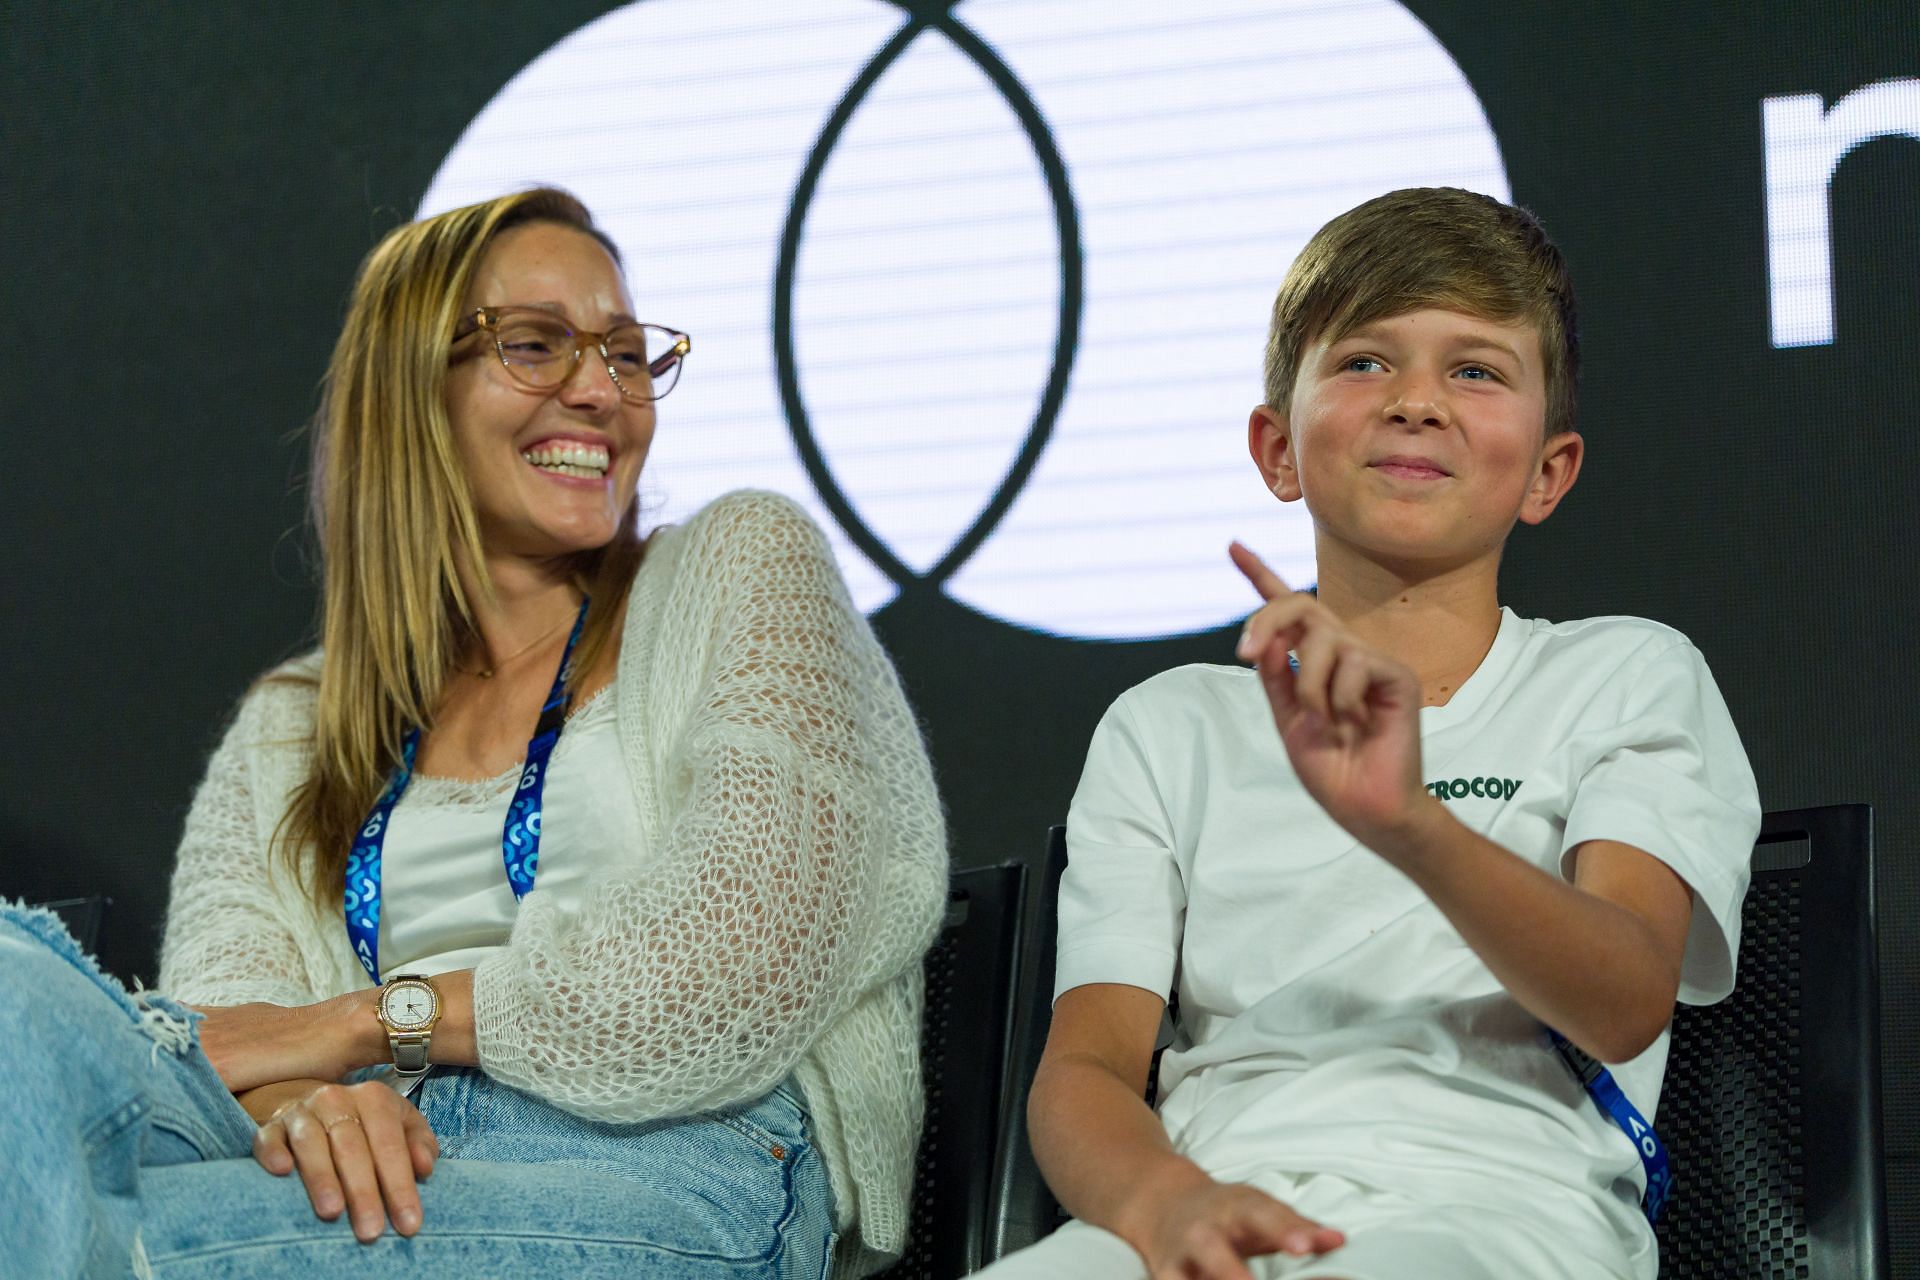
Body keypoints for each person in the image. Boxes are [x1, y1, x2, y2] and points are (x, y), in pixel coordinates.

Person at [0, 187, 948, 1280]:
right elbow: (232, 1028)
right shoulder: (289, 723)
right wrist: (318, 1105)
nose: (599, 391)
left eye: (628, 353)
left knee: (103, 1248)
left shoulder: (744, 565)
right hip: (358, 1163)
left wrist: (367, 1027)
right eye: (537, 345)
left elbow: (724, 967)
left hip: (661, 1155)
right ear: (414, 393)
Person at [978, 187, 1760, 1280]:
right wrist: (1165, 1205)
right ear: (1277, 448)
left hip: (1499, 1220)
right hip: (1203, 1215)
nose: (1417, 403)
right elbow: (1089, 1068)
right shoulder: (1167, 727)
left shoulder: (1627, 675)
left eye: (1477, 370)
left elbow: (1627, 997)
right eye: (1364, 362)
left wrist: (1408, 822)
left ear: (1548, 471)